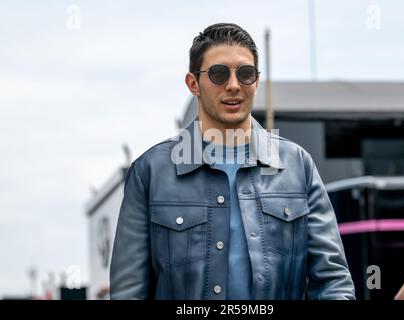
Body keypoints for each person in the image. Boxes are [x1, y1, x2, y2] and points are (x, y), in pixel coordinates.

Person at [110, 22, 355, 300]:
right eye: (218, 74)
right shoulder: (151, 172)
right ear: (193, 83)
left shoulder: (298, 166)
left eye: (246, 74)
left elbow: (334, 283)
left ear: (257, 81)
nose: (234, 85)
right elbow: (128, 292)